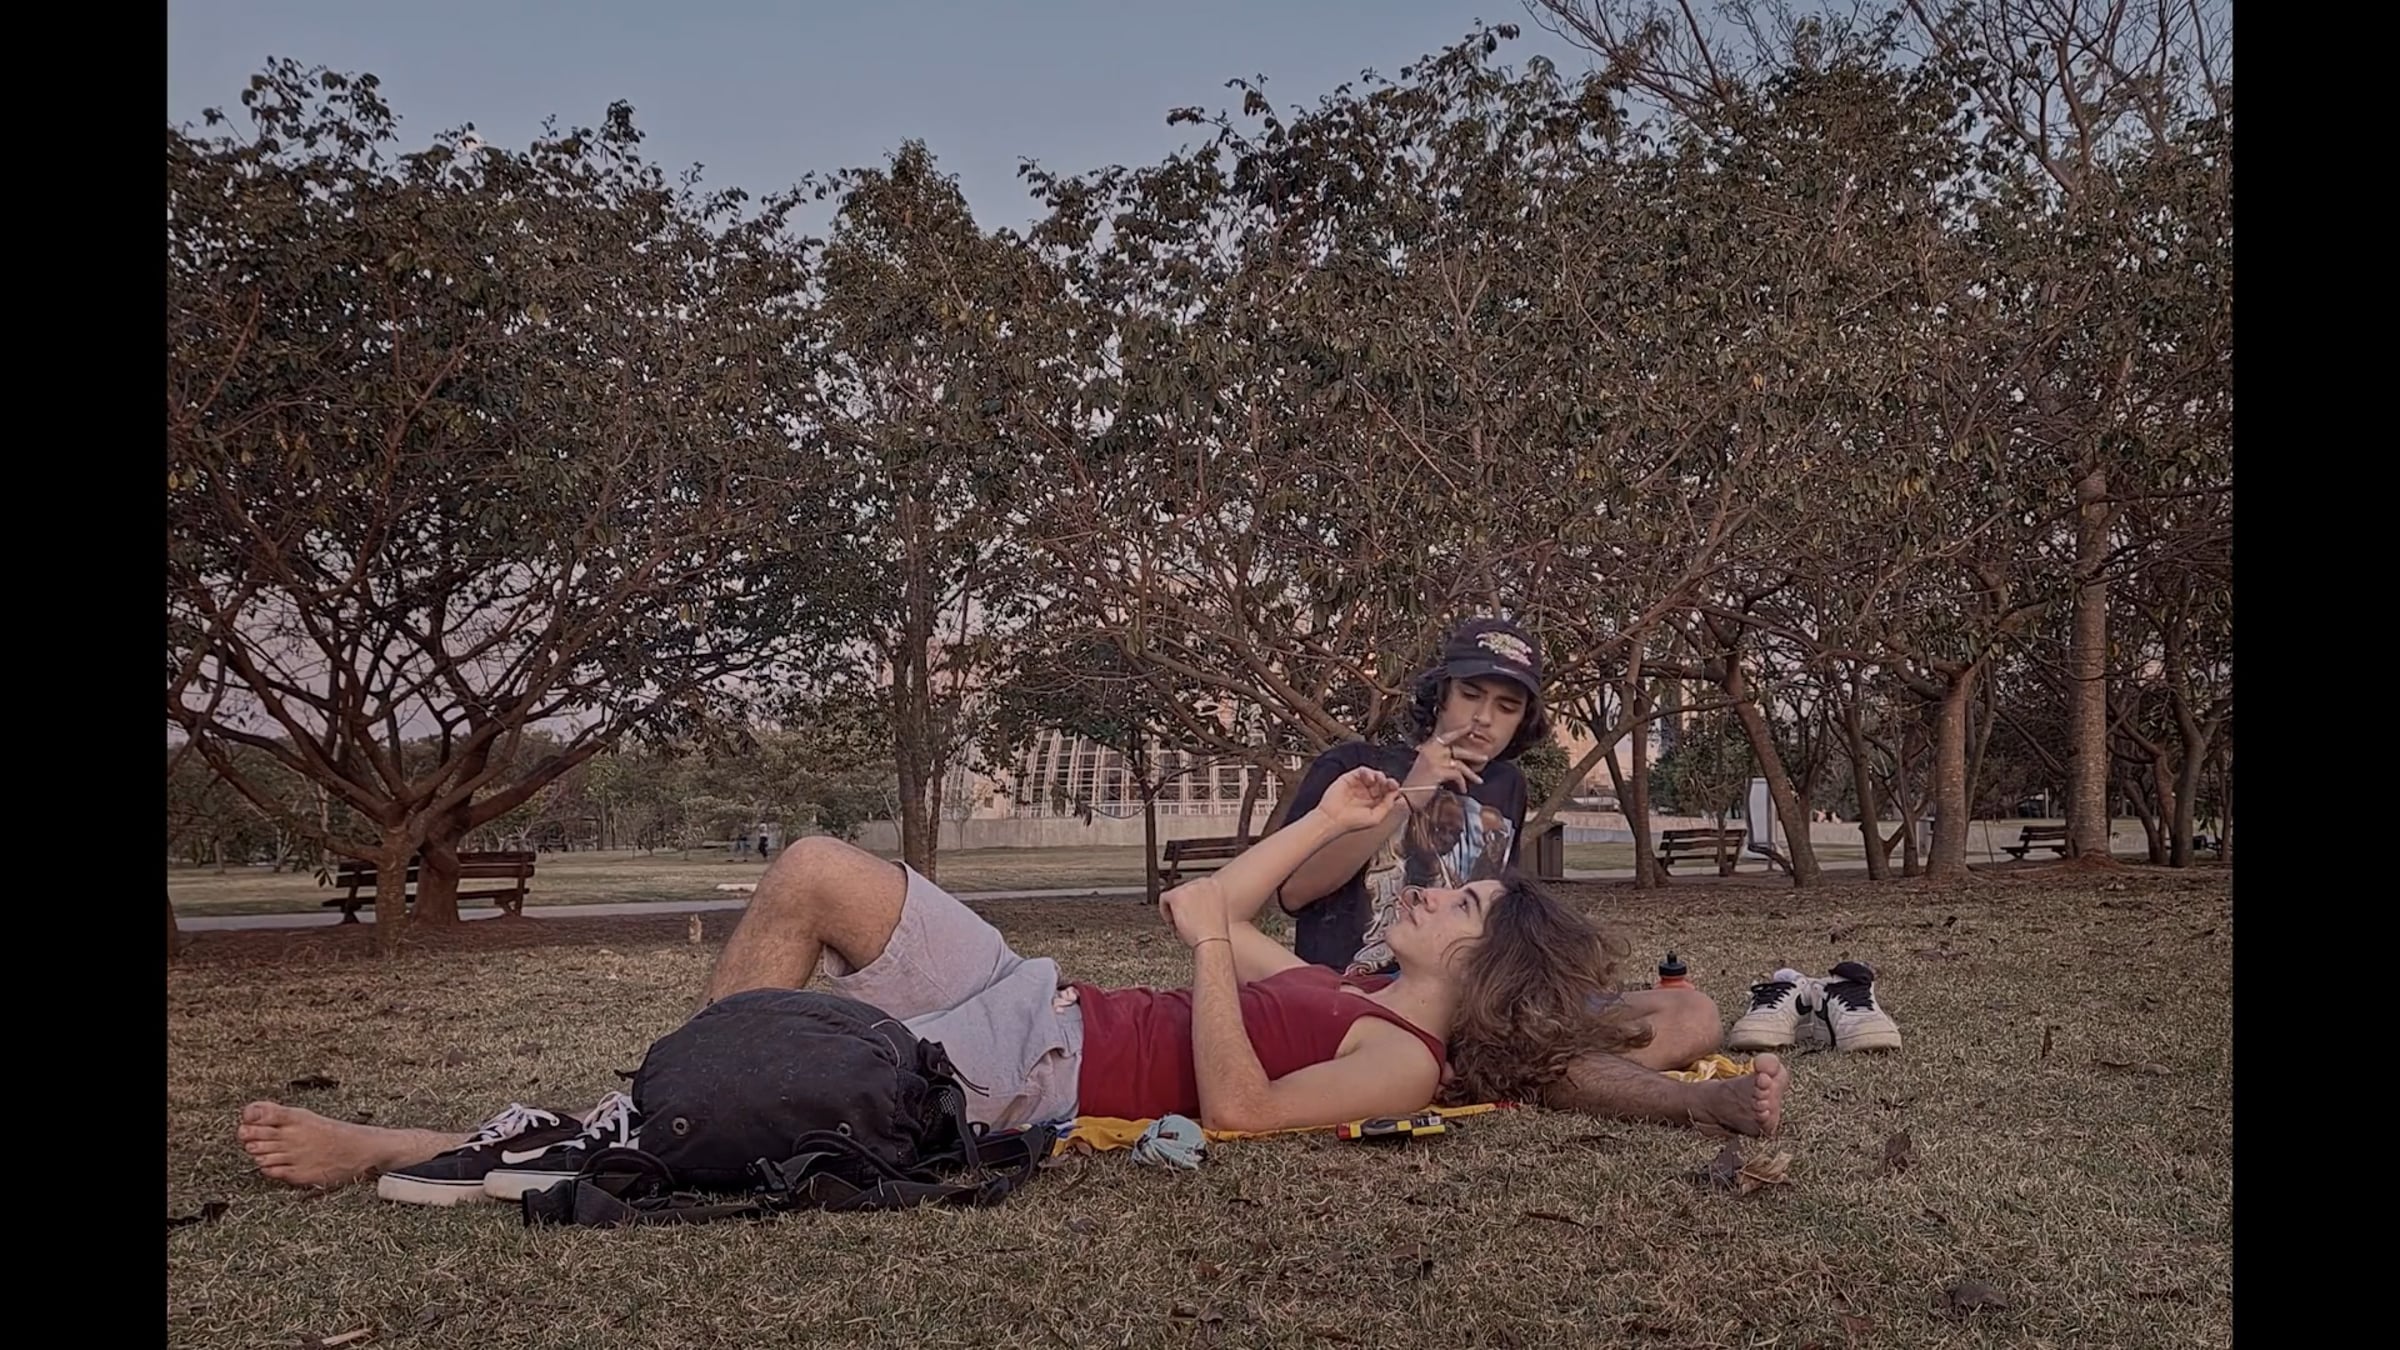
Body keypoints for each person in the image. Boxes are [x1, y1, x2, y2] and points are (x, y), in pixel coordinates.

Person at [239, 766, 1781, 1204]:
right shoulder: (1368, 982)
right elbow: (1218, 911)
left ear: (1478, 962)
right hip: (1029, 991)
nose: (1435, 888)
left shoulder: (1400, 1060)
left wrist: (1704, 1107)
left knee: (727, 1095)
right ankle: (667, 1104)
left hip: (1031, 1067)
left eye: (1463, 901)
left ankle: (431, 1143)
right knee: (817, 870)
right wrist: (1321, 820)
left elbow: (1244, 1106)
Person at [1273, 616, 1797, 1131]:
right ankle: (1688, 1102)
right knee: (1530, 1047)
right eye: (1470, 695)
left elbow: (1499, 917)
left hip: (1478, 998)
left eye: (1507, 707)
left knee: (1692, 1013)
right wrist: (1411, 792)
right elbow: (1295, 891)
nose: (1483, 719)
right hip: (1376, 996)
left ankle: (1498, 1073)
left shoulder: (1507, 786)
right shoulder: (1355, 766)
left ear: (1523, 719)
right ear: (1441, 693)